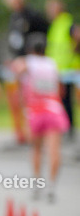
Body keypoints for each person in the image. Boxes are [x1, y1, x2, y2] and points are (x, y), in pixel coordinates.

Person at [12, 35, 69, 202]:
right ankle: (51, 185)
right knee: (54, 150)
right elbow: (61, 89)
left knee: (36, 148)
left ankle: (37, 182)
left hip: (35, 111)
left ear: (30, 49)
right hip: (53, 109)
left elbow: (16, 71)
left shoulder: (27, 62)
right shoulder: (53, 64)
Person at [1, 0, 49, 144]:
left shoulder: (33, 16)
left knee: (32, 98)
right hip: (17, 63)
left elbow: (41, 38)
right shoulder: (14, 17)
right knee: (16, 98)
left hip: (31, 63)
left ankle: (36, 131)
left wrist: (31, 58)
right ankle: (21, 133)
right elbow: (14, 40)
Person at [44, 0, 80, 138]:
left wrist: (75, 52)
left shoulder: (67, 23)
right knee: (62, 100)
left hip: (71, 68)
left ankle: (69, 128)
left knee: (69, 101)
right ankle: (66, 127)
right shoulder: (55, 25)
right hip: (59, 69)